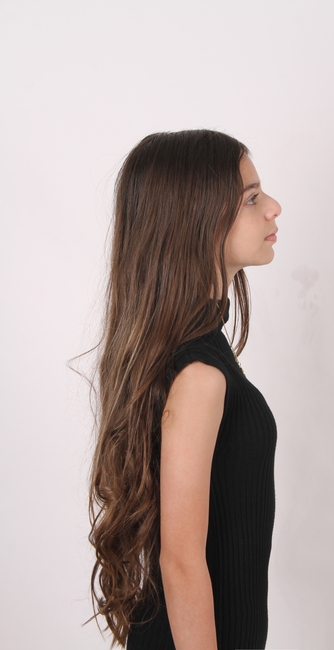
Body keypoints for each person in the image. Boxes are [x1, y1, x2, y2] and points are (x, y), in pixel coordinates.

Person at [89, 129, 282, 650]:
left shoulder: (197, 355)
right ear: (197, 220)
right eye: (251, 198)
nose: (273, 207)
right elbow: (180, 563)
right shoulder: (200, 374)